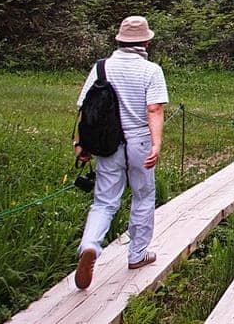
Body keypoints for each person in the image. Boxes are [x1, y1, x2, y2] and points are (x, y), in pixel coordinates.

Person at [73, 15, 168, 290]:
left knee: (104, 202)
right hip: (139, 142)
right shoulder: (151, 70)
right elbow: (154, 109)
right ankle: (137, 254)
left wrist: (84, 144)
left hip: (106, 144)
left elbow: (86, 108)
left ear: (119, 40)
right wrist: (156, 144)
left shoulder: (101, 68)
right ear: (146, 41)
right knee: (143, 196)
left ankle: (90, 245)